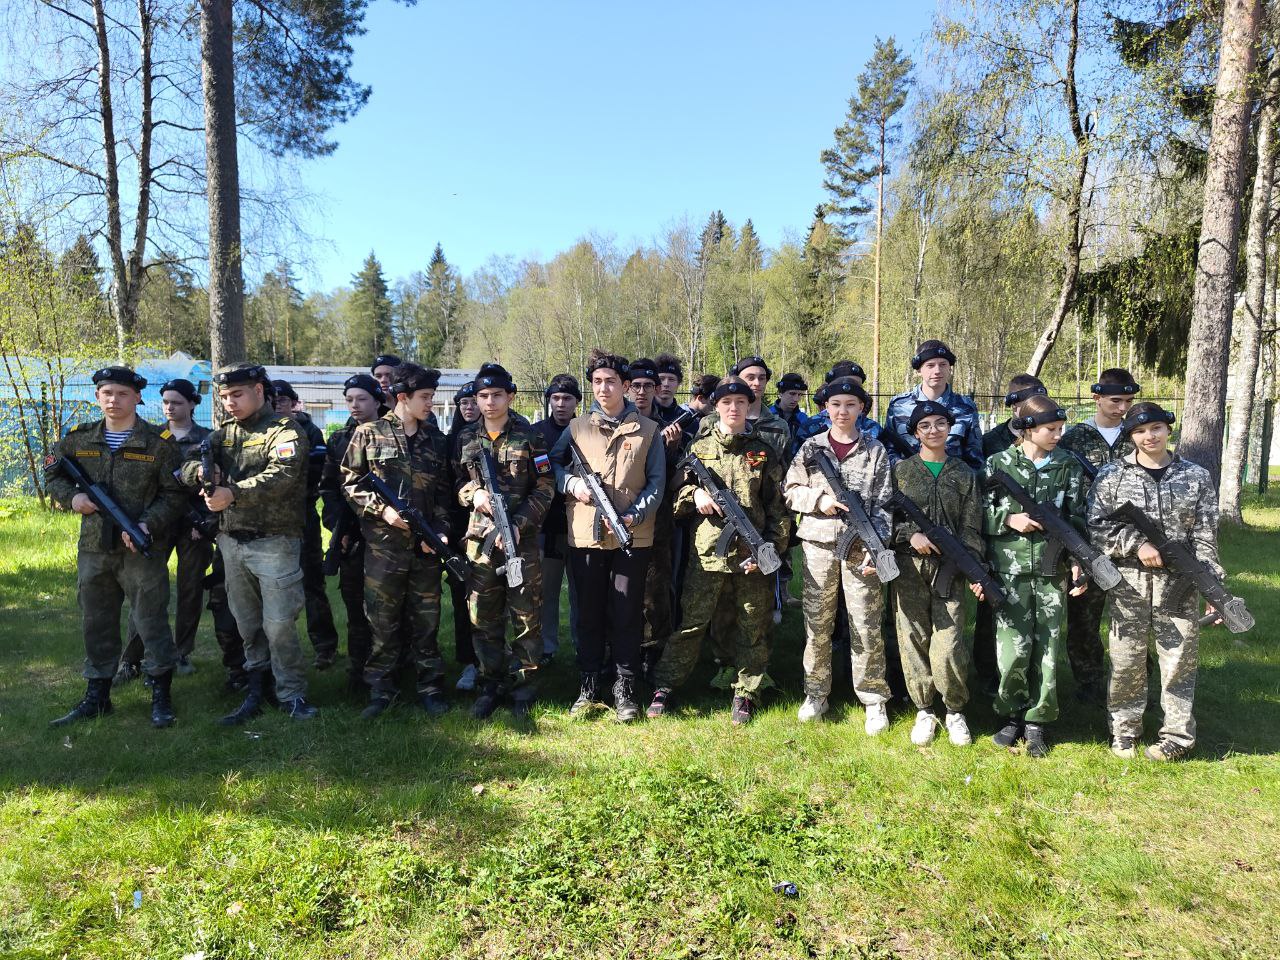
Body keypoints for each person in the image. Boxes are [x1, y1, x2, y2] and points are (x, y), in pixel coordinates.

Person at [47, 366, 186, 728]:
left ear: (137, 397)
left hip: (140, 548)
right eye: (107, 393)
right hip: (94, 548)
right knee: (96, 620)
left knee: (150, 620)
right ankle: (97, 696)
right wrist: (72, 498)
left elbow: (175, 494)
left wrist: (147, 523)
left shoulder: (159, 442)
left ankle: (161, 692)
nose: (114, 400)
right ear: (97, 397)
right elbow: (53, 474)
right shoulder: (77, 439)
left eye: (123, 394)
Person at [646, 377, 789, 725]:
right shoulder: (699, 448)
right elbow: (673, 495)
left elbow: (779, 510)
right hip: (708, 554)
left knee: (752, 625)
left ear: (749, 405)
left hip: (751, 555)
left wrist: (770, 550)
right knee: (692, 624)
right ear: (716, 407)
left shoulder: (763, 451)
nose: (733, 408)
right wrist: (694, 495)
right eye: (726, 403)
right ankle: (665, 686)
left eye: (740, 402)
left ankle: (747, 691)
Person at [182, 362, 318, 723]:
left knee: (279, 624)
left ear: (259, 391)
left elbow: (283, 475)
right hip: (232, 542)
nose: (230, 402)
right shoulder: (223, 434)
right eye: (225, 396)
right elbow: (185, 465)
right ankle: (257, 687)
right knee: (247, 623)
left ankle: (291, 693)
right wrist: (201, 471)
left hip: (275, 543)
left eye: (237, 394)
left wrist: (233, 492)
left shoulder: (284, 431)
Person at [1088, 402, 1219, 762]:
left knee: (1179, 660)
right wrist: (1136, 544)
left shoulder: (1195, 476)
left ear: (1168, 430)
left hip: (1180, 583)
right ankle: (1124, 730)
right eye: (1140, 431)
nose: (1150, 436)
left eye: (1156, 428)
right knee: (1126, 657)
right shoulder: (1112, 475)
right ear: (1131, 436)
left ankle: (1177, 736)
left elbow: (1206, 535)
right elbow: (1096, 526)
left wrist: (1212, 585)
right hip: (1128, 581)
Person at [551, 352, 665, 721]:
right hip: (586, 535)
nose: (603, 388)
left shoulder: (648, 430)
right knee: (588, 613)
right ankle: (588, 684)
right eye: (597, 382)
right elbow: (550, 465)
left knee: (627, 613)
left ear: (625, 386)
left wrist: (637, 514)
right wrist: (571, 484)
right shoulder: (577, 427)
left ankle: (624, 687)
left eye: (611, 381)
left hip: (633, 536)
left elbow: (657, 482)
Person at [341, 363, 453, 718]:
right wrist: (382, 511)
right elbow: (350, 483)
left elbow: (444, 494)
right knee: (382, 621)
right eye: (426, 397)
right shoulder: (369, 434)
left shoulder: (436, 439)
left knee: (426, 621)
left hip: (425, 549)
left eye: (432, 397)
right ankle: (381, 689)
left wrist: (441, 531)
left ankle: (430, 687)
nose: (430, 403)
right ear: (403, 397)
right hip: (383, 549)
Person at [783, 377, 894, 733]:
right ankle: (816, 693)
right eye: (835, 405)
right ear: (825, 409)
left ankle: (873, 698)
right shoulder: (811, 447)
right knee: (817, 624)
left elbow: (885, 505)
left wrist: (877, 548)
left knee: (866, 624)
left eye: (850, 404)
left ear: (861, 408)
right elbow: (790, 490)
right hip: (818, 546)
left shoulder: (875, 451)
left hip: (862, 549)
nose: (842, 411)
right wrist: (819, 500)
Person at [983, 395, 1089, 757]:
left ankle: (1038, 721)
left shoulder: (1067, 466)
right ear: (1028, 429)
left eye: (1060, 429)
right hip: (1009, 570)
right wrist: (1007, 519)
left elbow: (1077, 517)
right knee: (1012, 647)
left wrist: (1076, 559)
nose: (1058, 435)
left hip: (1051, 570)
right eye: (1051, 429)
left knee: (1047, 646)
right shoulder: (998, 463)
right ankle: (1011, 714)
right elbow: (976, 511)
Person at [454, 363, 553, 719]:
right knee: (483, 615)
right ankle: (490, 683)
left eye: (497, 395)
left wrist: (520, 523)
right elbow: (455, 482)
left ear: (510, 396)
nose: (490, 402)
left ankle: (524, 686)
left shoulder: (531, 437)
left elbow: (546, 487)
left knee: (526, 615)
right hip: (480, 542)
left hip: (520, 543)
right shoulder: (465, 437)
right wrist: (473, 493)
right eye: (483, 396)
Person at [890, 400, 986, 746]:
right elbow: (885, 520)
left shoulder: (964, 473)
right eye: (925, 425)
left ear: (950, 429)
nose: (934, 430)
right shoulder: (901, 472)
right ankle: (924, 709)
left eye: (940, 424)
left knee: (950, 640)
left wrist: (971, 565)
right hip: (909, 567)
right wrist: (908, 535)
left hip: (951, 568)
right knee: (913, 636)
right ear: (915, 433)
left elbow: (972, 526)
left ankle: (955, 709)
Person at [115, 378, 214, 683]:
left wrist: (206, 524)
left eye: (177, 402)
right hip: (157, 523)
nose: (170, 408)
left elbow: (214, 484)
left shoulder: (208, 439)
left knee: (190, 590)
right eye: (166, 402)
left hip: (194, 526)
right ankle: (131, 659)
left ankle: (181, 653)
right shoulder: (152, 437)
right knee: (145, 592)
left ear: (192, 404)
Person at [1059, 368, 1139, 705]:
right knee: (1083, 619)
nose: (1123, 408)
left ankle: (1136, 683)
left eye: (1128, 401)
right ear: (1097, 398)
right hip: (1086, 540)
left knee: (1134, 618)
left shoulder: (1136, 434)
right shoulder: (1074, 438)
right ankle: (1089, 682)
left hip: (1131, 541)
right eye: (1116, 400)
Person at [973, 373, 1047, 695]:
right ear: (1012, 406)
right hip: (999, 542)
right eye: (1025, 403)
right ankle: (988, 674)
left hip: (1039, 546)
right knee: (991, 608)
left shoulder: (1051, 437)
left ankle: (1032, 679)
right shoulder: (991, 442)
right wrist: (1004, 520)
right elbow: (980, 492)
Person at [320, 374, 385, 694]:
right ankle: (358, 672)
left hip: (387, 533)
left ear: (377, 400)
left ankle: (393, 668)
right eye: (349, 400)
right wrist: (339, 528)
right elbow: (329, 489)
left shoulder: (393, 434)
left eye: (361, 399)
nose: (354, 405)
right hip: (352, 536)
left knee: (389, 609)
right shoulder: (339, 440)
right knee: (356, 608)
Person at [271, 379, 340, 669]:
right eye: (272, 401)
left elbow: (314, 471)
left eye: (282, 400)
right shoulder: (258, 431)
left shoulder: (309, 431)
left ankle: (324, 647)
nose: (277, 405)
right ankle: (273, 654)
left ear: (293, 403)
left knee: (311, 582)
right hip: (266, 521)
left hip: (301, 515)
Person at [536, 374, 582, 665]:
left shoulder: (587, 430)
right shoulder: (537, 433)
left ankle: (584, 647)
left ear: (577, 401)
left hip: (582, 528)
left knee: (583, 595)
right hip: (547, 527)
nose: (561, 404)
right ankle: (546, 648)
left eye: (567, 398)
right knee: (546, 593)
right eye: (555, 398)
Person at [884, 340, 984, 469]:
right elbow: (888, 448)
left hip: (952, 479)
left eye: (943, 364)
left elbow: (975, 458)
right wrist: (902, 468)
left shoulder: (966, 407)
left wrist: (962, 478)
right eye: (930, 365)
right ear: (919, 370)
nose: (937, 371)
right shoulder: (898, 405)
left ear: (949, 368)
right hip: (907, 479)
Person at [447, 382, 482, 690]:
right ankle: (469, 662)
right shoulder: (452, 440)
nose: (469, 408)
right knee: (463, 599)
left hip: (494, 530)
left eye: (473, 401)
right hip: (459, 531)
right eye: (464, 403)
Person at [796, 362, 885, 445]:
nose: (852, 390)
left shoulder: (873, 428)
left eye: (857, 386)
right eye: (846, 383)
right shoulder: (810, 427)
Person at [981, 375, 1048, 459]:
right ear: (1013, 404)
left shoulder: (1052, 436)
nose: (1038, 406)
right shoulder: (990, 442)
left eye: (1042, 401)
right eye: (1031, 401)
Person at [771, 372, 810, 459]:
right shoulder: (767, 416)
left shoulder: (803, 419)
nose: (796, 399)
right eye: (792, 394)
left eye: (800, 395)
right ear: (780, 393)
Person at [654, 353, 685, 424]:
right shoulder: (642, 414)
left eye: (671, 379)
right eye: (661, 379)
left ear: (678, 383)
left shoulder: (686, 420)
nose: (666, 384)